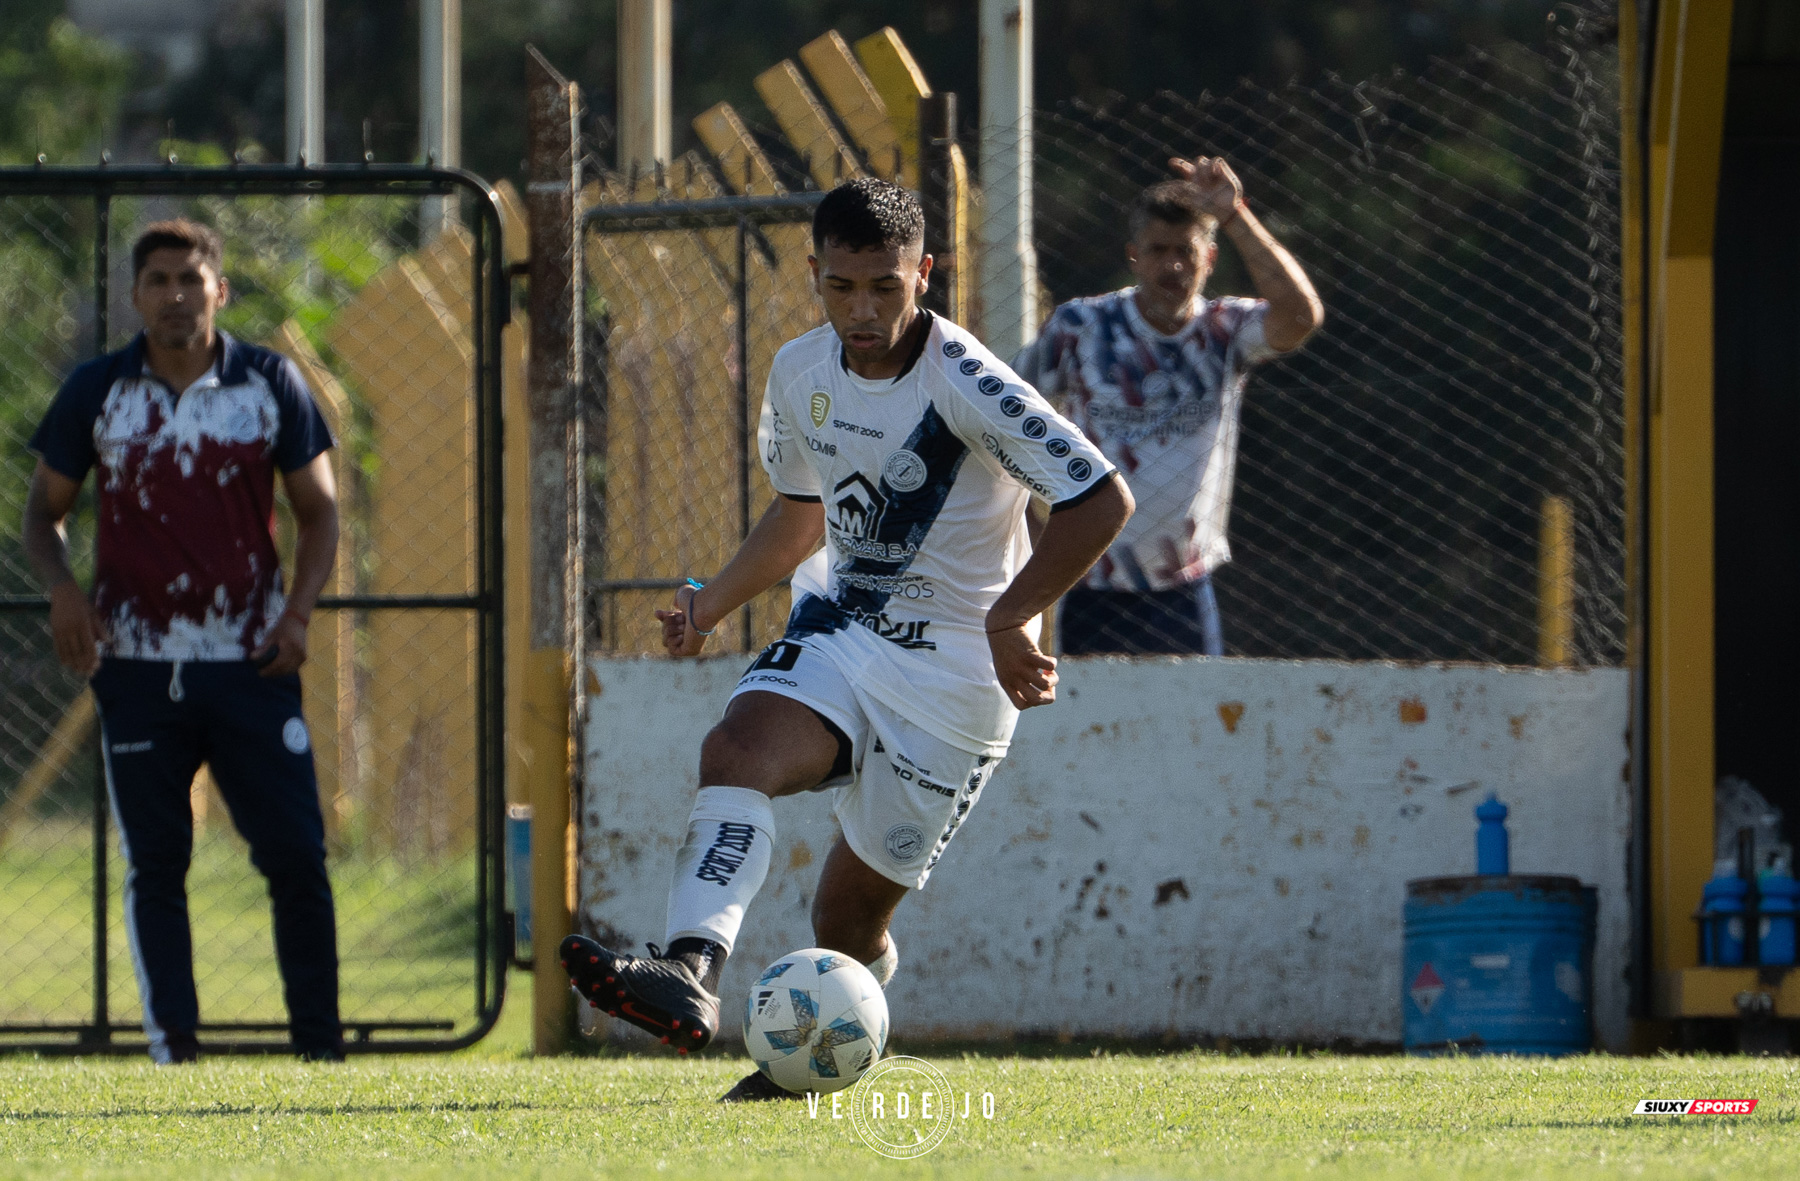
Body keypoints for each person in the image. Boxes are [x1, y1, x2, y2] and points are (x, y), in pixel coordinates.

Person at [560, 177, 1132, 1100]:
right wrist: (710, 605)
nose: (862, 311)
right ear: (815, 273)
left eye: (885, 287)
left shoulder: (968, 382)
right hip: (844, 627)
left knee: (846, 916)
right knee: (736, 748)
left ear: (923, 273)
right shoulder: (800, 371)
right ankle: (690, 970)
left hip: (955, 680)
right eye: (841, 288)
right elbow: (801, 517)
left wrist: (1007, 616)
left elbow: (1100, 500)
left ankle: (808, 1067)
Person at [21, 218, 343, 1064]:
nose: (174, 296)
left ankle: (320, 1048)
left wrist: (299, 612)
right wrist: (63, 590)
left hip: (252, 662)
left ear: (219, 291)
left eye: (190, 280)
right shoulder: (97, 389)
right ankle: (175, 1051)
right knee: (156, 865)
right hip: (132, 664)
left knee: (296, 858)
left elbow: (320, 511)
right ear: (135, 296)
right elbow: (40, 511)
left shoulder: (270, 382)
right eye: (158, 281)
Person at [1013, 156, 1323, 655]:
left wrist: (1234, 214)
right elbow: (1003, 414)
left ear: (1210, 259)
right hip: (1089, 582)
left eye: (1186, 251)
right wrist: (1026, 520)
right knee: (1087, 725)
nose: (1173, 266)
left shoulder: (1223, 331)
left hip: (1183, 586)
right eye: (1158, 251)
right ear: (1135, 256)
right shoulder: (1081, 328)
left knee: (1198, 728)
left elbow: (1301, 316)